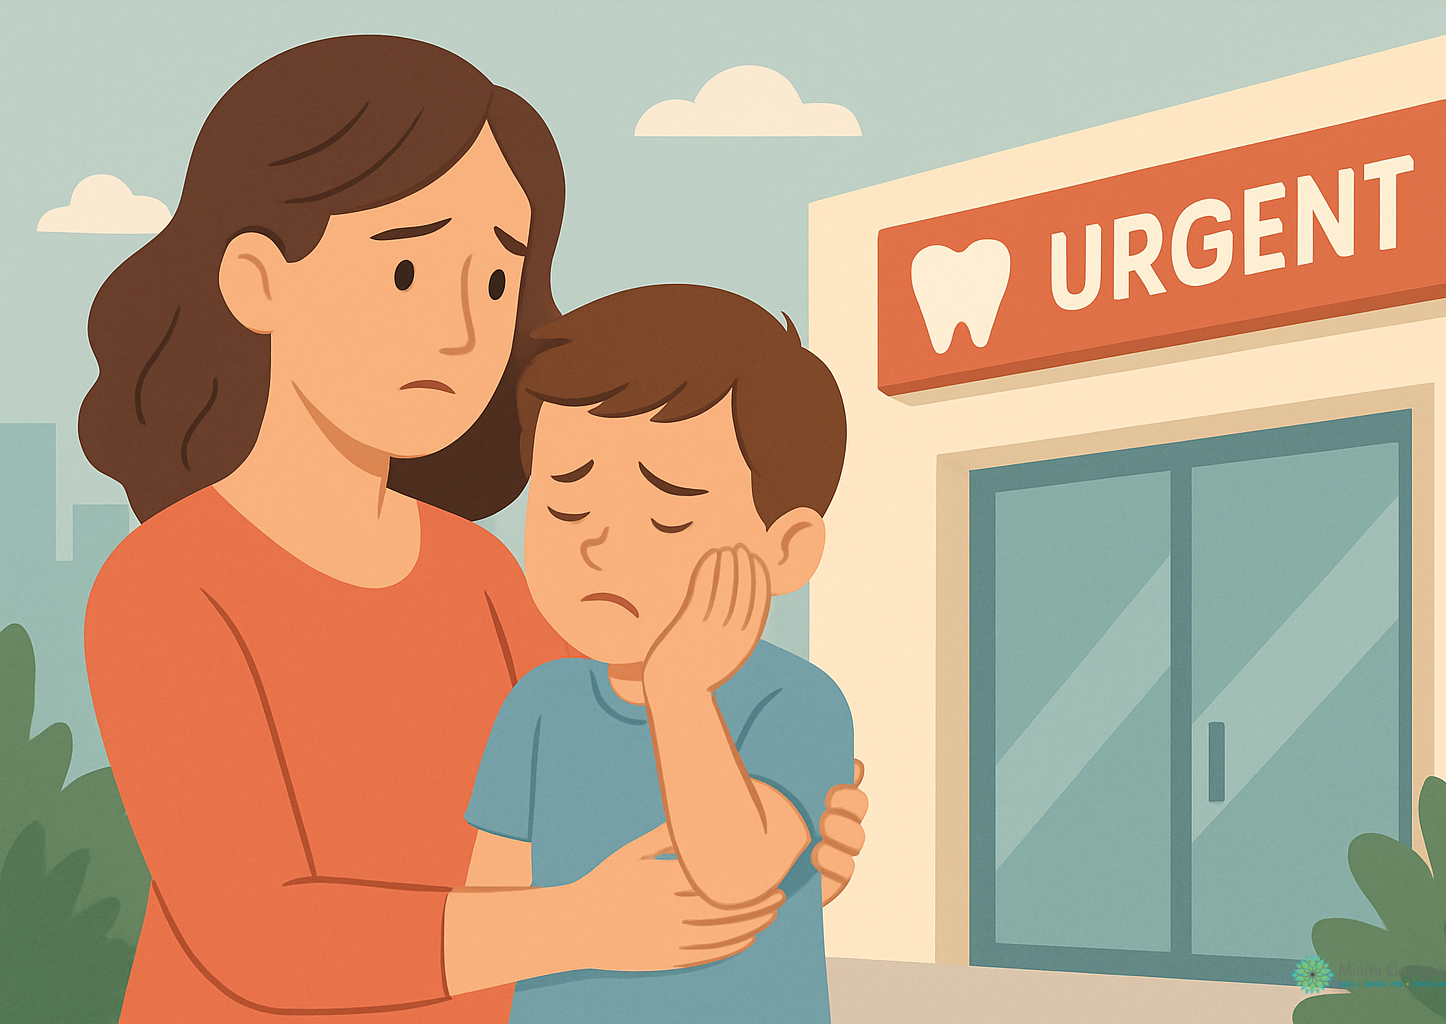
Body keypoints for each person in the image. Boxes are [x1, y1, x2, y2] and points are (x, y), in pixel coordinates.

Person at [80, 36, 868, 1023]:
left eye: (495, 281)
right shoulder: (169, 586)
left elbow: (618, 806)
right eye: (407, 268)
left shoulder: (485, 573)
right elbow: (256, 932)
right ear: (258, 279)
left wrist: (787, 845)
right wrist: (577, 925)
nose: (462, 328)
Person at [465, 284, 852, 1022]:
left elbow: (736, 872)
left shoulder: (797, 702)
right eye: (565, 501)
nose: (598, 542)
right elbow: (492, 915)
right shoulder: (539, 706)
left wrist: (680, 689)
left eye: (667, 506)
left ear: (788, 549)